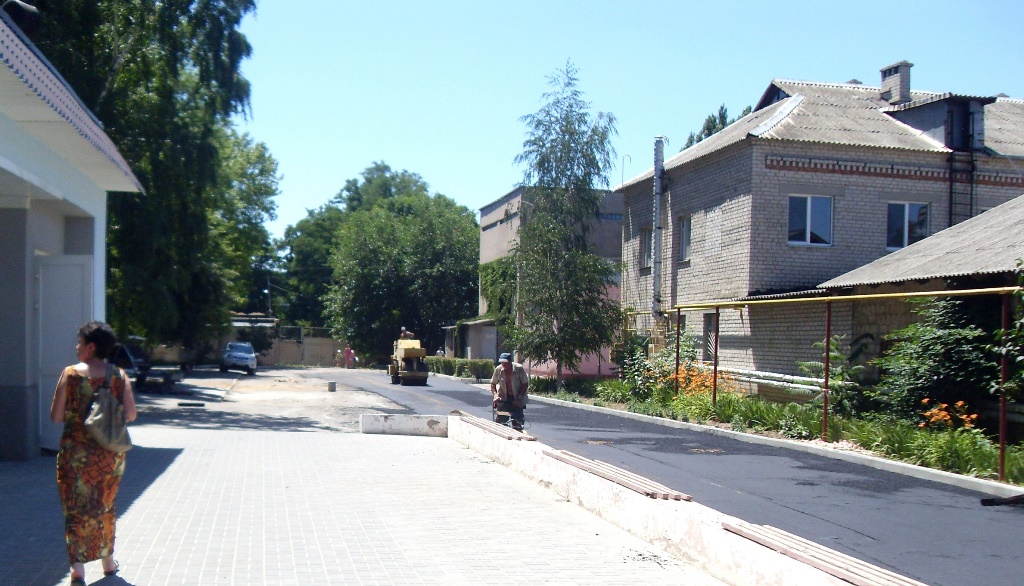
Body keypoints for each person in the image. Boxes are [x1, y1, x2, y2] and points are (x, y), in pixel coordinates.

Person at [49, 321, 137, 585]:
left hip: (75, 456)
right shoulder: (118, 375)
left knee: (75, 510)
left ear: (90, 347)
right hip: (109, 456)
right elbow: (131, 414)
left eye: (80, 342)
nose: (77, 347)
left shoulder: (70, 374)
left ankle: (77, 570)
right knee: (104, 506)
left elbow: (56, 416)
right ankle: (108, 563)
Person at [490, 352, 529, 431]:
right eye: (502, 363)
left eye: (506, 363)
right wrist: (495, 396)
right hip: (504, 398)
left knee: (517, 423)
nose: (504, 365)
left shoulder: (518, 369)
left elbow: (525, 384)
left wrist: (519, 399)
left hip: (517, 397)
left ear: (510, 362)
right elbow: (493, 383)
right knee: (500, 422)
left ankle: (517, 431)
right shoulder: (498, 369)